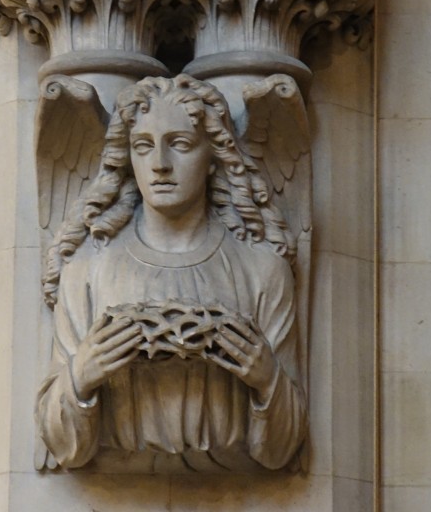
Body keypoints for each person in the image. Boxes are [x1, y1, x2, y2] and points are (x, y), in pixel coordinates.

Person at [36, 75, 306, 473]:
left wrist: (268, 381)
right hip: (114, 487)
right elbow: (60, 444)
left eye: (180, 144)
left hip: (236, 486)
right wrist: (80, 377)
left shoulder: (262, 269)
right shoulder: (87, 269)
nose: (160, 165)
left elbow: (284, 447)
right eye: (143, 146)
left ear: (213, 156)